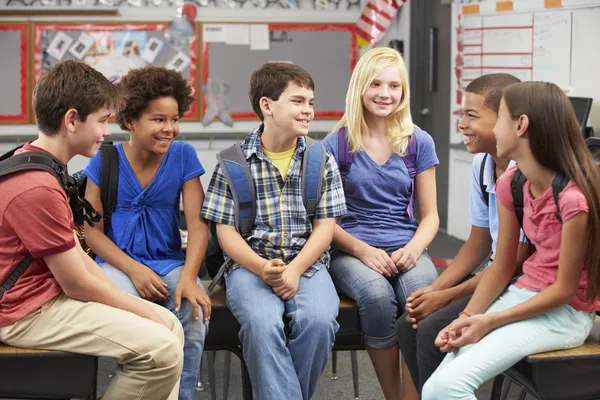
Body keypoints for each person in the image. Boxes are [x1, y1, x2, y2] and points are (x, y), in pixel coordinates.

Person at [0, 60, 185, 400]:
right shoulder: (36, 186)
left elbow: (78, 259)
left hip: (44, 297)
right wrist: (139, 310)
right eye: (101, 120)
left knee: (169, 324)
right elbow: (77, 282)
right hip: (23, 312)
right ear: (71, 120)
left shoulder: (45, 168)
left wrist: (141, 310)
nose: (107, 132)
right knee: (162, 349)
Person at [422, 81, 600, 399]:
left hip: (565, 315)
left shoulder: (573, 200)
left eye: (500, 118)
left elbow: (563, 291)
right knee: (435, 387)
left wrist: (490, 320)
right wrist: (467, 318)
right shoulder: (511, 184)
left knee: (450, 387)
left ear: (521, 125)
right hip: (520, 296)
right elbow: (502, 267)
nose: (496, 130)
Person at [201, 62, 346, 400]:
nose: (308, 110)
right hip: (249, 266)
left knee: (319, 322)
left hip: (307, 264)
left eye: (310, 102)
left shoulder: (320, 158)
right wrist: (261, 267)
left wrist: (294, 269)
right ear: (267, 105)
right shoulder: (233, 162)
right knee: (262, 325)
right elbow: (226, 234)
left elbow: (325, 228)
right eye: (297, 101)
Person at [396, 73, 529, 394]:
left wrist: (446, 296)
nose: (461, 124)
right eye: (461, 114)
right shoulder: (483, 165)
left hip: (519, 279)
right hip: (496, 271)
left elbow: (514, 265)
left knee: (429, 332)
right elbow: (478, 242)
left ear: (507, 121)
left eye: (472, 115)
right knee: (408, 324)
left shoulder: (525, 175)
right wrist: (435, 290)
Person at [83, 65, 209, 400]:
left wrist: (189, 277)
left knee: (193, 313)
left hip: (168, 261)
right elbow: (91, 232)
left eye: (175, 119)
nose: (170, 129)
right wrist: (134, 269)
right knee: (131, 319)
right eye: (158, 119)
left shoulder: (183, 156)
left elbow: (197, 224)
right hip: (116, 263)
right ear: (129, 122)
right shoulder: (104, 159)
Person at [322, 47, 439, 399]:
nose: (385, 94)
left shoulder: (419, 142)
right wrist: (362, 250)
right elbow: (323, 221)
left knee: (421, 301)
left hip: (406, 245)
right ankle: (394, 395)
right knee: (376, 297)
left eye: (394, 86)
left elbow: (431, 216)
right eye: (376, 84)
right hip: (351, 248)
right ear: (360, 87)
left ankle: (413, 395)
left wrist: (414, 248)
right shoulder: (336, 144)